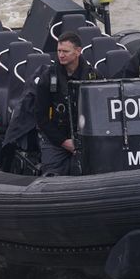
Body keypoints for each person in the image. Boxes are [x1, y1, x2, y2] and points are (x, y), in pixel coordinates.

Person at [36, 31, 94, 175]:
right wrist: (63, 142)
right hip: (56, 139)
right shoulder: (48, 77)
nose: (61, 55)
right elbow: (41, 117)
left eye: (65, 51)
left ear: (78, 51)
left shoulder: (93, 76)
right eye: (59, 51)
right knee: (52, 174)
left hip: (86, 138)